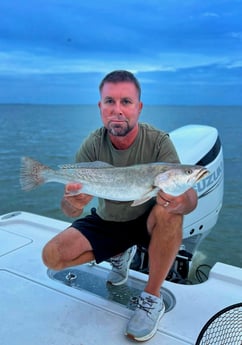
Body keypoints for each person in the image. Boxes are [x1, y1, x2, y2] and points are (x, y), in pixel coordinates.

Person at [42, 70, 198, 342]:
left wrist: (181, 200)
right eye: (109, 101)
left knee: (169, 212)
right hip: (108, 219)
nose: (117, 110)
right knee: (51, 257)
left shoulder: (158, 142)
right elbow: (68, 210)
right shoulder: (92, 144)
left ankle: (151, 298)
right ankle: (118, 252)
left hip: (147, 219)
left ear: (139, 107)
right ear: (100, 107)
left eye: (126, 102)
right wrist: (73, 202)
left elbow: (191, 198)